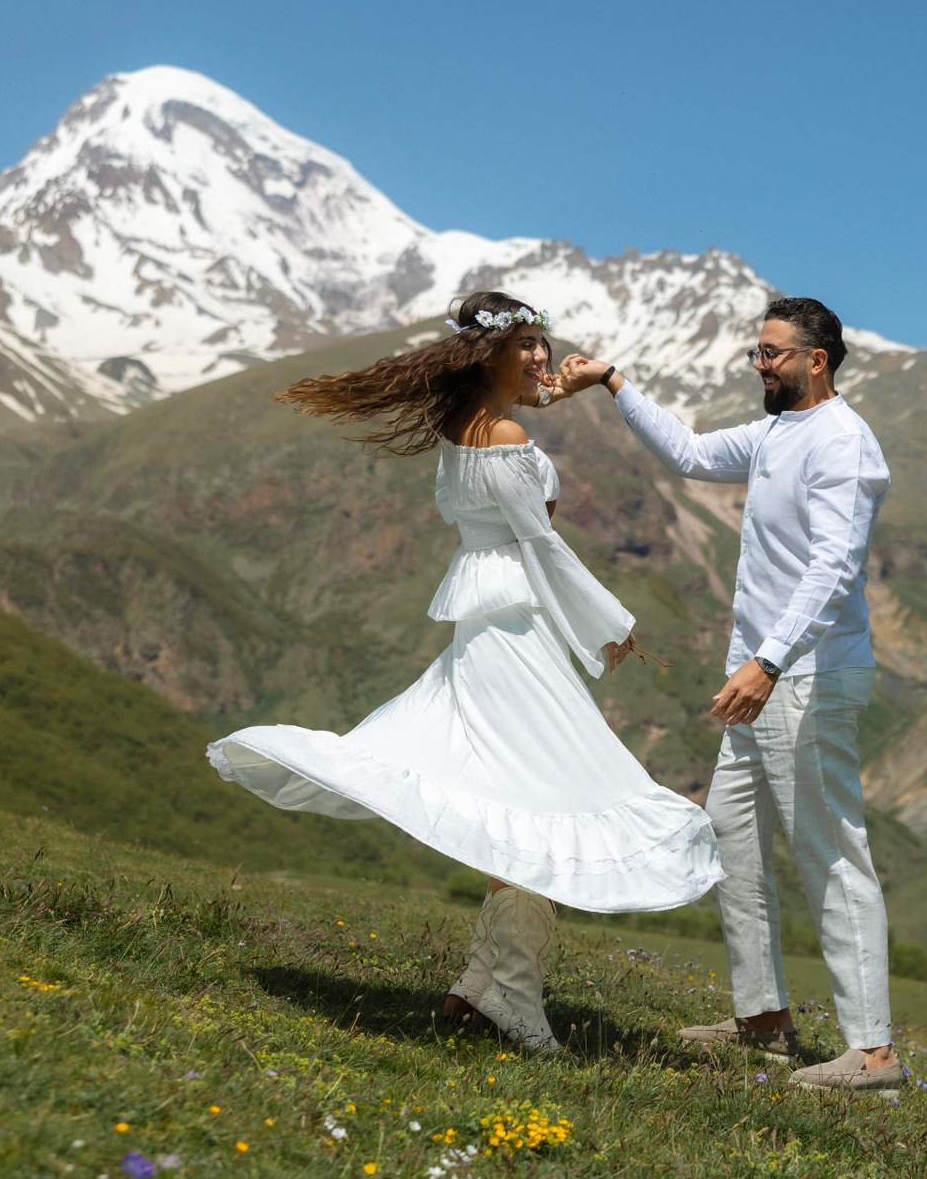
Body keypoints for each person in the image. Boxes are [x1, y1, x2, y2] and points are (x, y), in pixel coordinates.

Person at [206, 291, 724, 1053]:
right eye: (525, 346)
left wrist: (561, 389)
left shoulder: (466, 424)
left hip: (493, 623)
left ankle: (481, 989)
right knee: (544, 794)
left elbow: (517, 484)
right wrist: (610, 622)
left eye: (542, 343)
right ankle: (510, 995)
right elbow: (540, 542)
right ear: (489, 354)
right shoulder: (504, 433)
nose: (541, 357)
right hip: (515, 628)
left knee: (522, 792)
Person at [559, 296, 904, 1093]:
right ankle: (763, 1022)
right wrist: (613, 381)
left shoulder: (843, 442)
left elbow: (834, 568)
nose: (759, 365)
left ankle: (875, 1055)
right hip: (764, 678)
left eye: (772, 353)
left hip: (805, 675)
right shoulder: (778, 432)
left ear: (816, 360)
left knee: (831, 853)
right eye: (757, 352)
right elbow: (688, 452)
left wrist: (770, 660)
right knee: (732, 839)